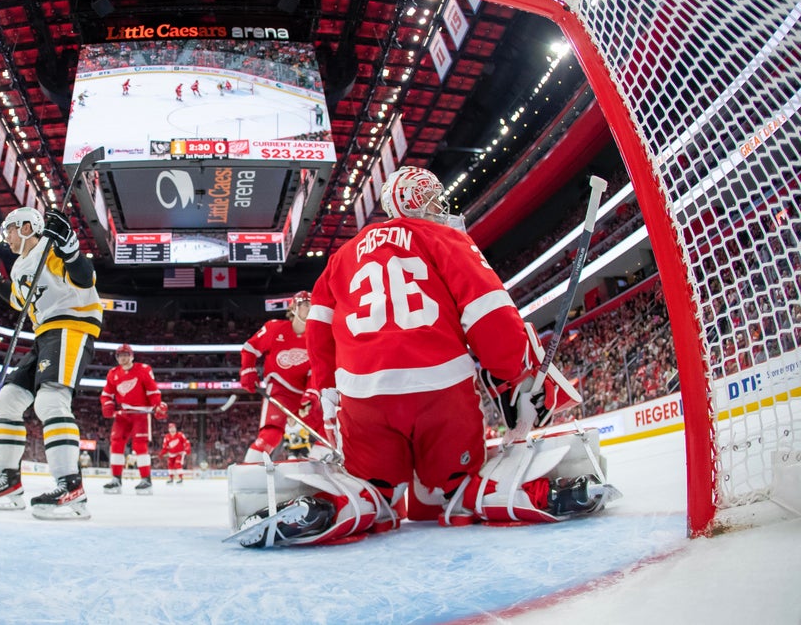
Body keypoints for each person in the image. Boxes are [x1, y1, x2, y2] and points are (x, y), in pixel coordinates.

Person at [227, 166, 614, 547]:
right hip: (440, 386)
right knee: (456, 487)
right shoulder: (441, 237)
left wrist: (328, 392)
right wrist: (518, 378)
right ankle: (519, 494)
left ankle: (340, 506)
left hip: (364, 396)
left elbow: (319, 330)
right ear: (414, 202)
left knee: (374, 489)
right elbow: (488, 311)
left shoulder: (341, 257)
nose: (440, 206)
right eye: (431, 198)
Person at [0, 206, 102, 520]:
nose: (7, 236)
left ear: (27, 226)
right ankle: (10, 482)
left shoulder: (51, 247)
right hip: (44, 334)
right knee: (9, 401)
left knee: (51, 400)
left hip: (71, 326)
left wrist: (70, 248)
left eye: (11, 229)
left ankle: (72, 487)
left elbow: (84, 278)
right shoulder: (18, 266)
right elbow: (19, 300)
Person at [238, 291, 321, 463]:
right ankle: (249, 469)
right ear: (293, 308)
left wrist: (311, 395)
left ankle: (319, 466)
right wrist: (248, 371)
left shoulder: (318, 338)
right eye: (305, 304)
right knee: (271, 433)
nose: (310, 308)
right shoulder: (274, 328)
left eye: (312, 304)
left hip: (306, 393)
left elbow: (318, 371)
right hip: (279, 389)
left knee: (326, 430)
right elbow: (250, 348)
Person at [99, 343, 167, 494]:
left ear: (131, 356)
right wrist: (107, 405)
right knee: (116, 444)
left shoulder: (143, 370)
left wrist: (157, 405)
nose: (123, 358)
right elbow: (107, 394)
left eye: (125, 355)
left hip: (141, 414)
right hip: (123, 414)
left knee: (140, 446)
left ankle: (146, 480)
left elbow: (152, 389)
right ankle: (116, 479)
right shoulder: (113, 373)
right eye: (120, 355)